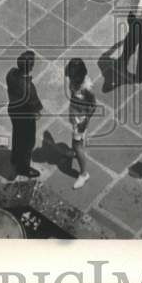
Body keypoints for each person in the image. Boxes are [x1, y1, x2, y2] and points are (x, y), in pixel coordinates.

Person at [6, 50, 43, 178]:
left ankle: (15, 157)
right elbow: (35, 107)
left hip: (13, 111)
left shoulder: (10, 73)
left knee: (17, 135)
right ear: (31, 67)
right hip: (25, 117)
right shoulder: (29, 88)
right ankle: (23, 168)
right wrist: (36, 113)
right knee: (28, 143)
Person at [65, 58, 97, 189]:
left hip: (81, 119)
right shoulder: (74, 79)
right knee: (78, 142)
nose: (71, 79)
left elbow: (93, 106)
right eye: (70, 76)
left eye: (73, 76)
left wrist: (85, 121)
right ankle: (75, 151)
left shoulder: (86, 88)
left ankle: (83, 174)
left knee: (77, 145)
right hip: (74, 113)